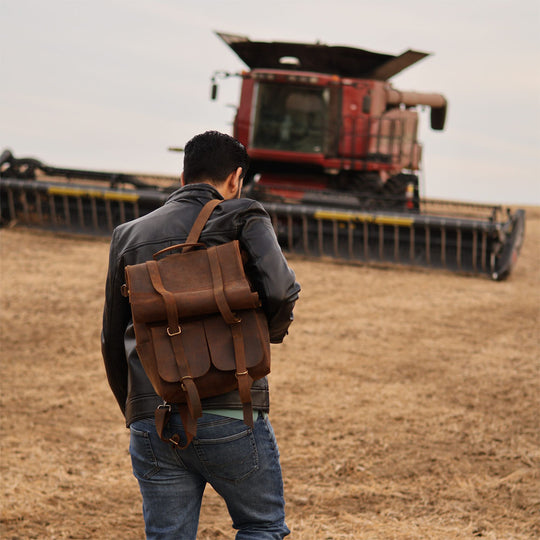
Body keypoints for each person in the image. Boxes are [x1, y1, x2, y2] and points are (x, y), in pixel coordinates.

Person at [101, 130, 300, 539]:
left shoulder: (128, 235)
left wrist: (136, 408)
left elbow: (111, 338)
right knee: (261, 526)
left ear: (182, 177)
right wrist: (268, 337)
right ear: (236, 178)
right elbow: (281, 290)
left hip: (152, 418)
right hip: (230, 407)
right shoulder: (243, 214)